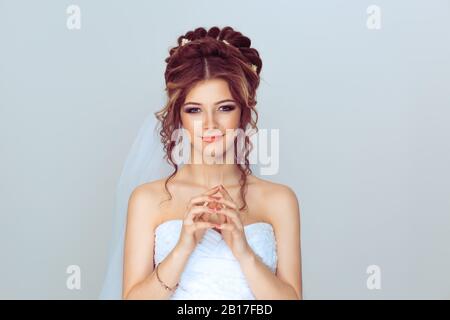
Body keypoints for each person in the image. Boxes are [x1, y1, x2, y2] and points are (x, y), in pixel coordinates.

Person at [101, 26, 302, 300]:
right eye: (194, 110)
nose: (210, 124)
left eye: (224, 108)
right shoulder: (147, 200)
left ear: (243, 112)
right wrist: (185, 245)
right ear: (178, 117)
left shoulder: (279, 200)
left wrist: (243, 251)